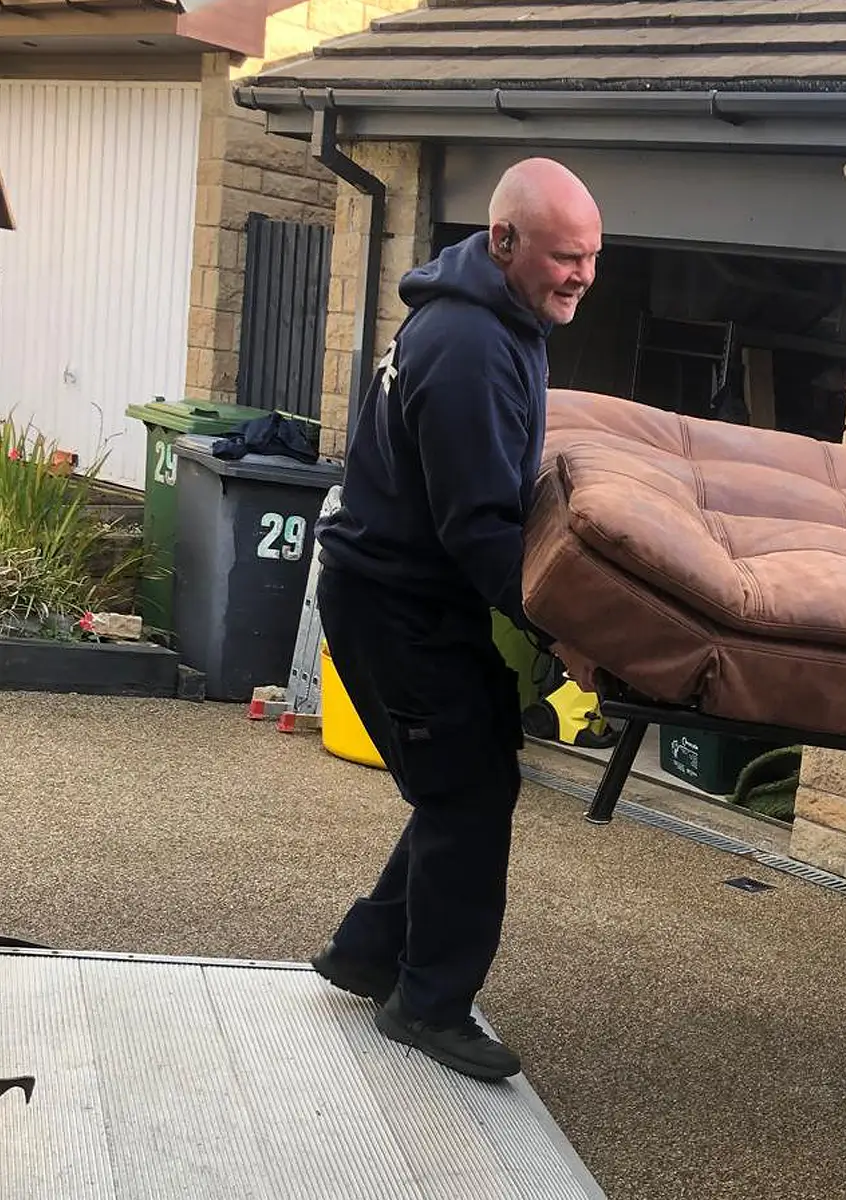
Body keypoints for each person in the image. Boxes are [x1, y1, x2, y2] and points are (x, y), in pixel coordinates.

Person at [307, 158, 602, 1080]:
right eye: (565, 257)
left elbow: (495, 496)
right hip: (395, 603)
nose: (582, 277)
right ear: (504, 240)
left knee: (466, 778)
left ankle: (368, 953)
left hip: (418, 598)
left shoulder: (504, 317)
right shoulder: (469, 345)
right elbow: (478, 529)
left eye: (593, 260)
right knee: (466, 793)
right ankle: (429, 1007)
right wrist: (573, 631)